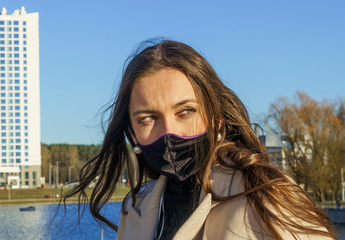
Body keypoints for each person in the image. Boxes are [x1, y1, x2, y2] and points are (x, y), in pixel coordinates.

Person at [65, 40, 336, 239]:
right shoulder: (134, 207)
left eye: (186, 111)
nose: (169, 132)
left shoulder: (266, 196)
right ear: (131, 133)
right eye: (148, 118)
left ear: (216, 117)